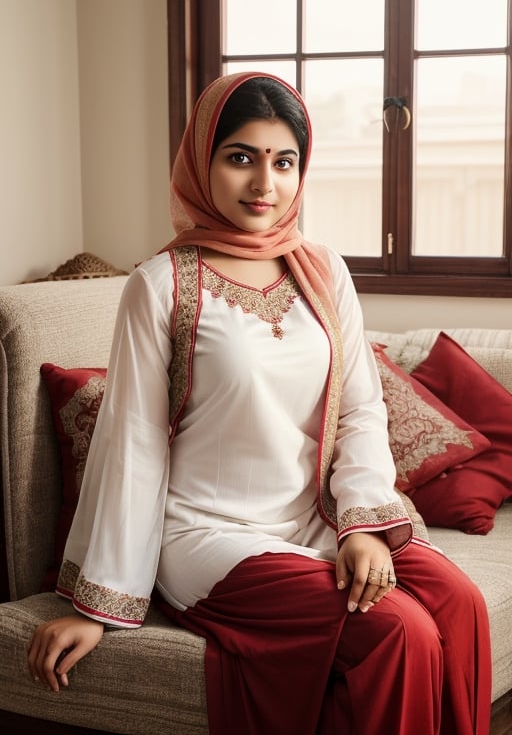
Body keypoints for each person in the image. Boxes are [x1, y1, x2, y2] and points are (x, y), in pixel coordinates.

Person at [28, 71, 492, 734]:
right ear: (202, 160)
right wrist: (96, 604)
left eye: (283, 162)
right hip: (208, 535)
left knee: (460, 603)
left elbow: (361, 408)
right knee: (398, 631)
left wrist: (361, 527)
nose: (263, 184)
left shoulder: (323, 270)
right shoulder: (160, 285)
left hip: (314, 518)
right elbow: (130, 442)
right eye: (240, 156)